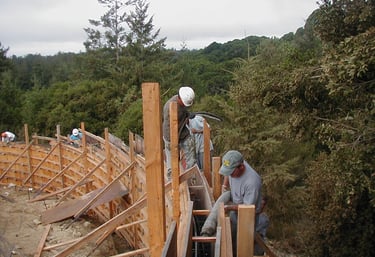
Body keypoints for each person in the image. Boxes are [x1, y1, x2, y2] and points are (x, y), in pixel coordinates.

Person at [200, 150, 262, 255]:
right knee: (222, 202)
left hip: (246, 214)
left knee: (238, 244)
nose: (229, 174)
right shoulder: (235, 163)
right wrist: (224, 186)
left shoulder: (252, 182)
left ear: (241, 167)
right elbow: (227, 174)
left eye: (231, 172)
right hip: (234, 200)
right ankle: (207, 230)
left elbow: (247, 207)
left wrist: (229, 207)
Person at [162, 86, 197, 180]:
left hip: (182, 131)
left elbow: (184, 113)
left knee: (190, 152)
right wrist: (174, 145)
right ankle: (172, 182)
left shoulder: (182, 102)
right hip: (170, 135)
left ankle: (191, 177)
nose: (186, 106)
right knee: (173, 161)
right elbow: (172, 127)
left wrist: (188, 115)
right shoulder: (170, 107)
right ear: (179, 98)